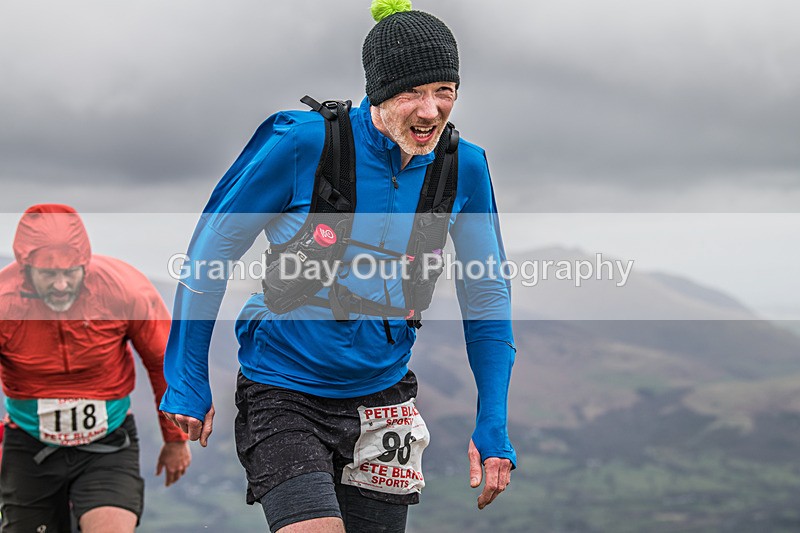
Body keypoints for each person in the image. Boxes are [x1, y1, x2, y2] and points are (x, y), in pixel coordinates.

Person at [160, 2, 516, 532]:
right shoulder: (302, 143)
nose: (430, 111)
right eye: (411, 93)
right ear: (378, 91)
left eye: (445, 91)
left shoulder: (464, 166)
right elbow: (211, 253)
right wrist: (187, 377)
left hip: (384, 399)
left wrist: (493, 423)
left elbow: (487, 295)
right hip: (284, 388)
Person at [0, 204, 191, 532]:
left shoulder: (124, 289)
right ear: (26, 269)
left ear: (85, 264)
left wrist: (175, 439)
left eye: (71, 272)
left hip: (108, 445)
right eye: (49, 275)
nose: (61, 285)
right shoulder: (5, 301)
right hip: (29, 447)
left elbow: (163, 361)